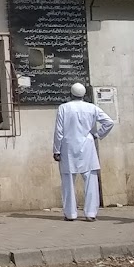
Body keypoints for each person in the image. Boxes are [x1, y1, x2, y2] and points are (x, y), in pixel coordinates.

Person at [53, 83, 115, 221]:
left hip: (68, 146)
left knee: (68, 181)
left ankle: (70, 214)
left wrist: (56, 150)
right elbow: (109, 122)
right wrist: (97, 134)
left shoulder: (64, 108)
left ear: (70, 94)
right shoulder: (92, 108)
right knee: (90, 180)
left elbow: (59, 131)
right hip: (87, 145)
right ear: (84, 95)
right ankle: (91, 213)